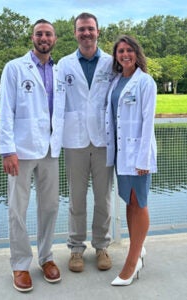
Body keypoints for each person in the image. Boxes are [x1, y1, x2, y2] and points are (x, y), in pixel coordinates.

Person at [0, 19, 65, 292]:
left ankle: (46, 258)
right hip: (22, 151)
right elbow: (5, 110)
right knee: (18, 209)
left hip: (50, 149)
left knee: (50, 207)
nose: (44, 38)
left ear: (55, 39)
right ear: (32, 37)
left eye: (48, 34)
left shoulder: (60, 72)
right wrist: (7, 149)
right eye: (39, 34)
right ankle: (20, 264)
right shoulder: (15, 68)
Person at [56, 12, 114, 272]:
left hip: (103, 141)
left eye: (90, 29)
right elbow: (57, 102)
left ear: (98, 32)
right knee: (76, 199)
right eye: (81, 29)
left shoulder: (111, 63)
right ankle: (76, 249)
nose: (86, 33)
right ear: (75, 33)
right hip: (75, 140)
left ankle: (102, 246)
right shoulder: (64, 64)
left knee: (103, 198)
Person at [105, 35, 157, 286]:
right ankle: (139, 247)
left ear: (137, 53)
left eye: (129, 50)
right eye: (120, 51)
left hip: (138, 154)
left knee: (139, 201)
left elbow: (147, 123)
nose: (125, 54)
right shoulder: (116, 81)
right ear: (116, 56)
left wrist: (143, 158)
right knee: (129, 202)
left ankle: (132, 262)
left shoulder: (145, 82)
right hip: (120, 154)